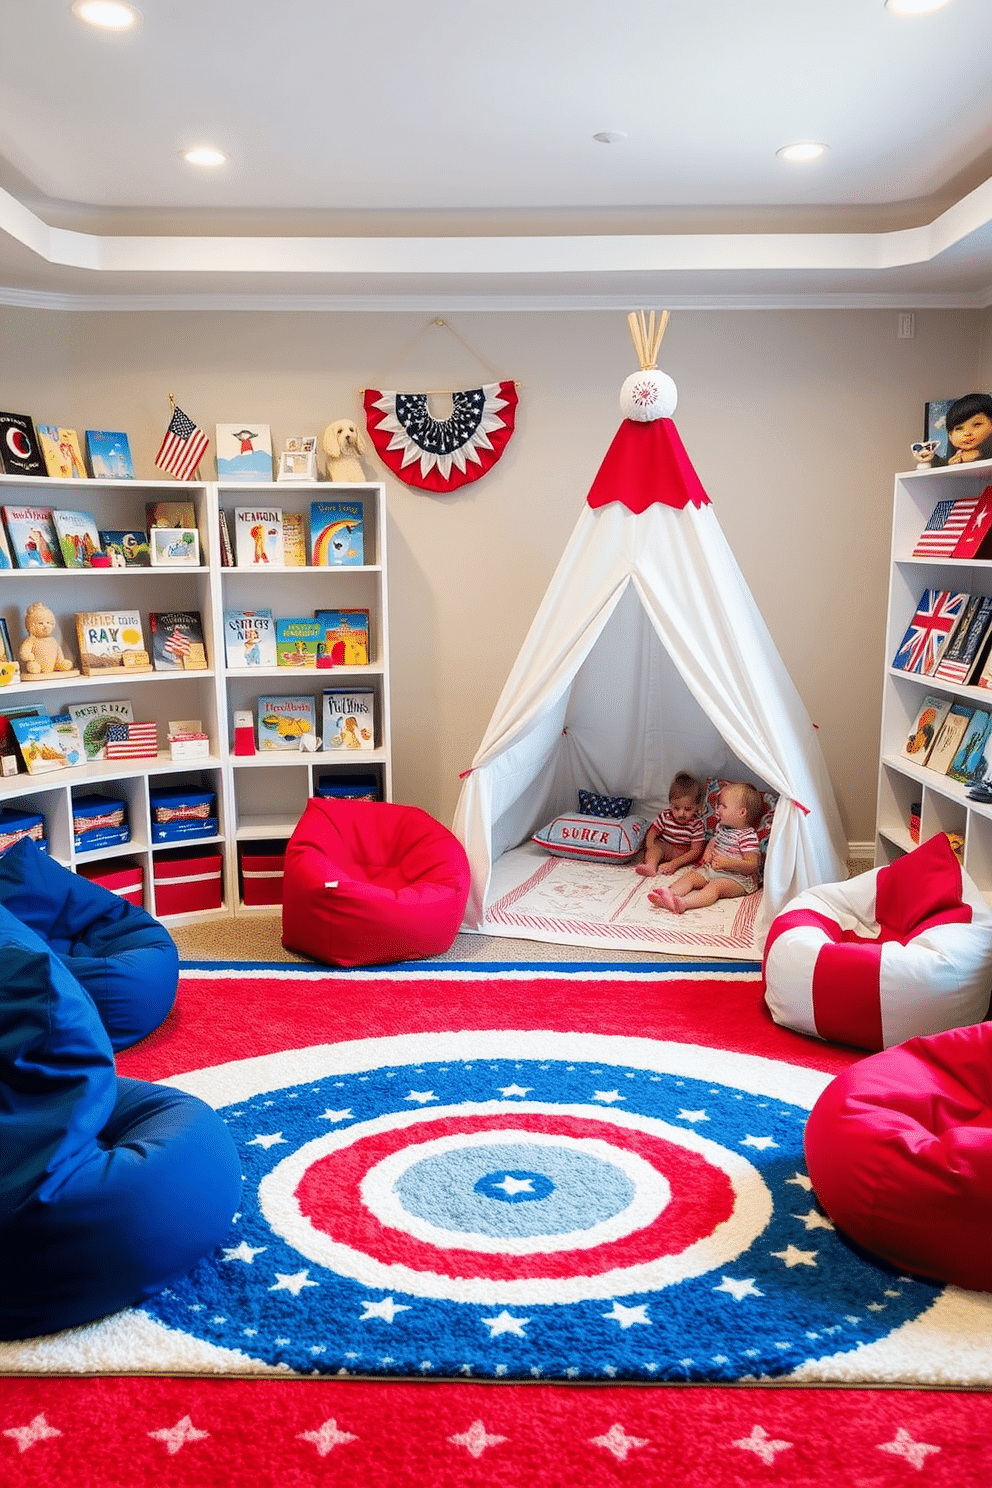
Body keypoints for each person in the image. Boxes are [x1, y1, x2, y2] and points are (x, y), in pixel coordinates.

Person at [649, 781, 763, 915]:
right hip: (714, 871)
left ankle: (684, 904)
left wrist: (729, 863)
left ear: (742, 812)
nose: (718, 809)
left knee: (714, 886)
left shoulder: (748, 836)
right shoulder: (723, 827)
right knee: (692, 876)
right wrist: (708, 851)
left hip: (738, 880)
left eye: (723, 806)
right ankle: (669, 895)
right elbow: (714, 840)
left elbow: (752, 865)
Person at [635, 771, 705, 877]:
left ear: (697, 807)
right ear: (670, 804)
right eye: (676, 808)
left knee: (694, 854)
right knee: (655, 848)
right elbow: (652, 832)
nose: (681, 813)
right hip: (665, 848)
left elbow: (696, 850)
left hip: (682, 853)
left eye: (688, 809)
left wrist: (675, 864)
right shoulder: (666, 816)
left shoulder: (696, 824)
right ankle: (650, 866)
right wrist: (650, 847)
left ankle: (673, 864)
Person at [924, 393, 992, 467]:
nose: (967, 433)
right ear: (950, 435)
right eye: (959, 428)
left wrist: (980, 454)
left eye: (977, 424)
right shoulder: (949, 461)